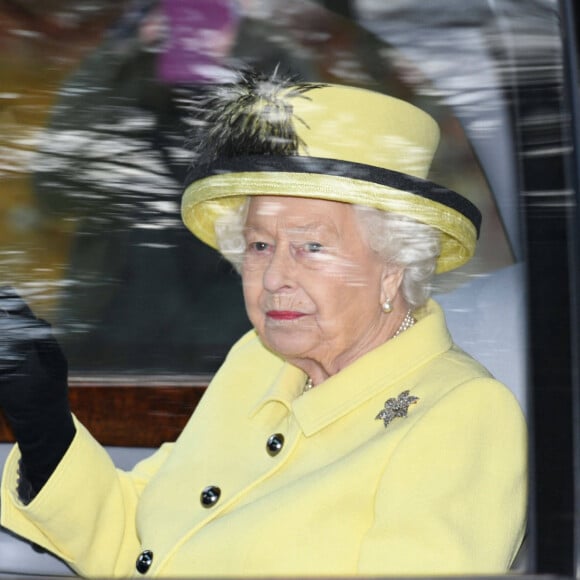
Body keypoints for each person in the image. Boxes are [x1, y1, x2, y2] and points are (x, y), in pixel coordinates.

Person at [0, 69, 526, 577]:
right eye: (260, 245)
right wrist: (46, 424)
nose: (274, 276)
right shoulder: (257, 361)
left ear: (394, 266)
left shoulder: (462, 417)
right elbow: (143, 546)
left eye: (311, 246)